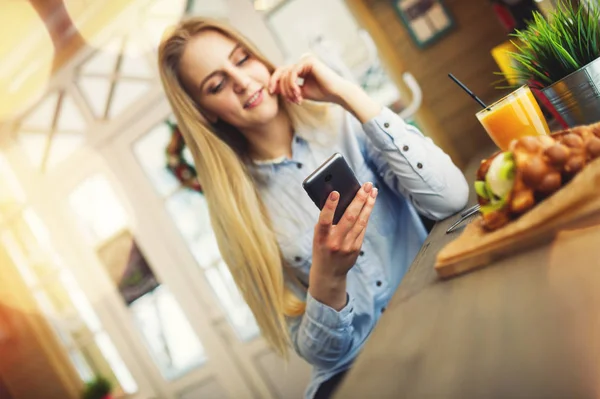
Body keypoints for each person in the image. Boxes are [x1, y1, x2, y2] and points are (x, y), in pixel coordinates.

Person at [158, 18, 468, 399]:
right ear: (206, 113)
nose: (240, 81)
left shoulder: (343, 122)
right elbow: (319, 354)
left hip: (439, 312)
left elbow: (451, 198)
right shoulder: (239, 216)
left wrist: (344, 93)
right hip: (358, 373)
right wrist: (327, 280)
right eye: (216, 85)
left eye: (242, 59)